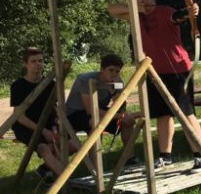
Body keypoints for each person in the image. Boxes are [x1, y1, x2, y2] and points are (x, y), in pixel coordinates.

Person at [108, 0, 201, 168]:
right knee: (163, 114)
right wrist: (135, 8)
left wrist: (189, 11)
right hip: (155, 72)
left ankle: (200, 155)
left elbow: (178, 16)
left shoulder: (164, 11)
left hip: (178, 70)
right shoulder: (135, 16)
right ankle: (165, 156)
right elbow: (111, 9)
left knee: (186, 113)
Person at [9, 47, 77, 180]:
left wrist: (55, 125)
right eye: (33, 61)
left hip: (48, 123)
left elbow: (55, 108)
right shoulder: (17, 86)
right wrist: (44, 131)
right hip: (26, 126)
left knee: (74, 144)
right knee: (44, 148)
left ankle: (45, 168)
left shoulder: (51, 84)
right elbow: (20, 118)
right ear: (25, 64)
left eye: (40, 61)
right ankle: (66, 181)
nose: (38, 64)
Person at [65, 53, 139, 149]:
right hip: (75, 113)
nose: (114, 74)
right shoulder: (85, 79)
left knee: (128, 122)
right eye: (111, 70)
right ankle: (95, 158)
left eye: (117, 71)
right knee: (97, 122)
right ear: (102, 69)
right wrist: (121, 116)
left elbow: (120, 107)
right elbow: (90, 110)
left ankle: (129, 155)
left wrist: (114, 92)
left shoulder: (118, 81)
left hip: (98, 111)